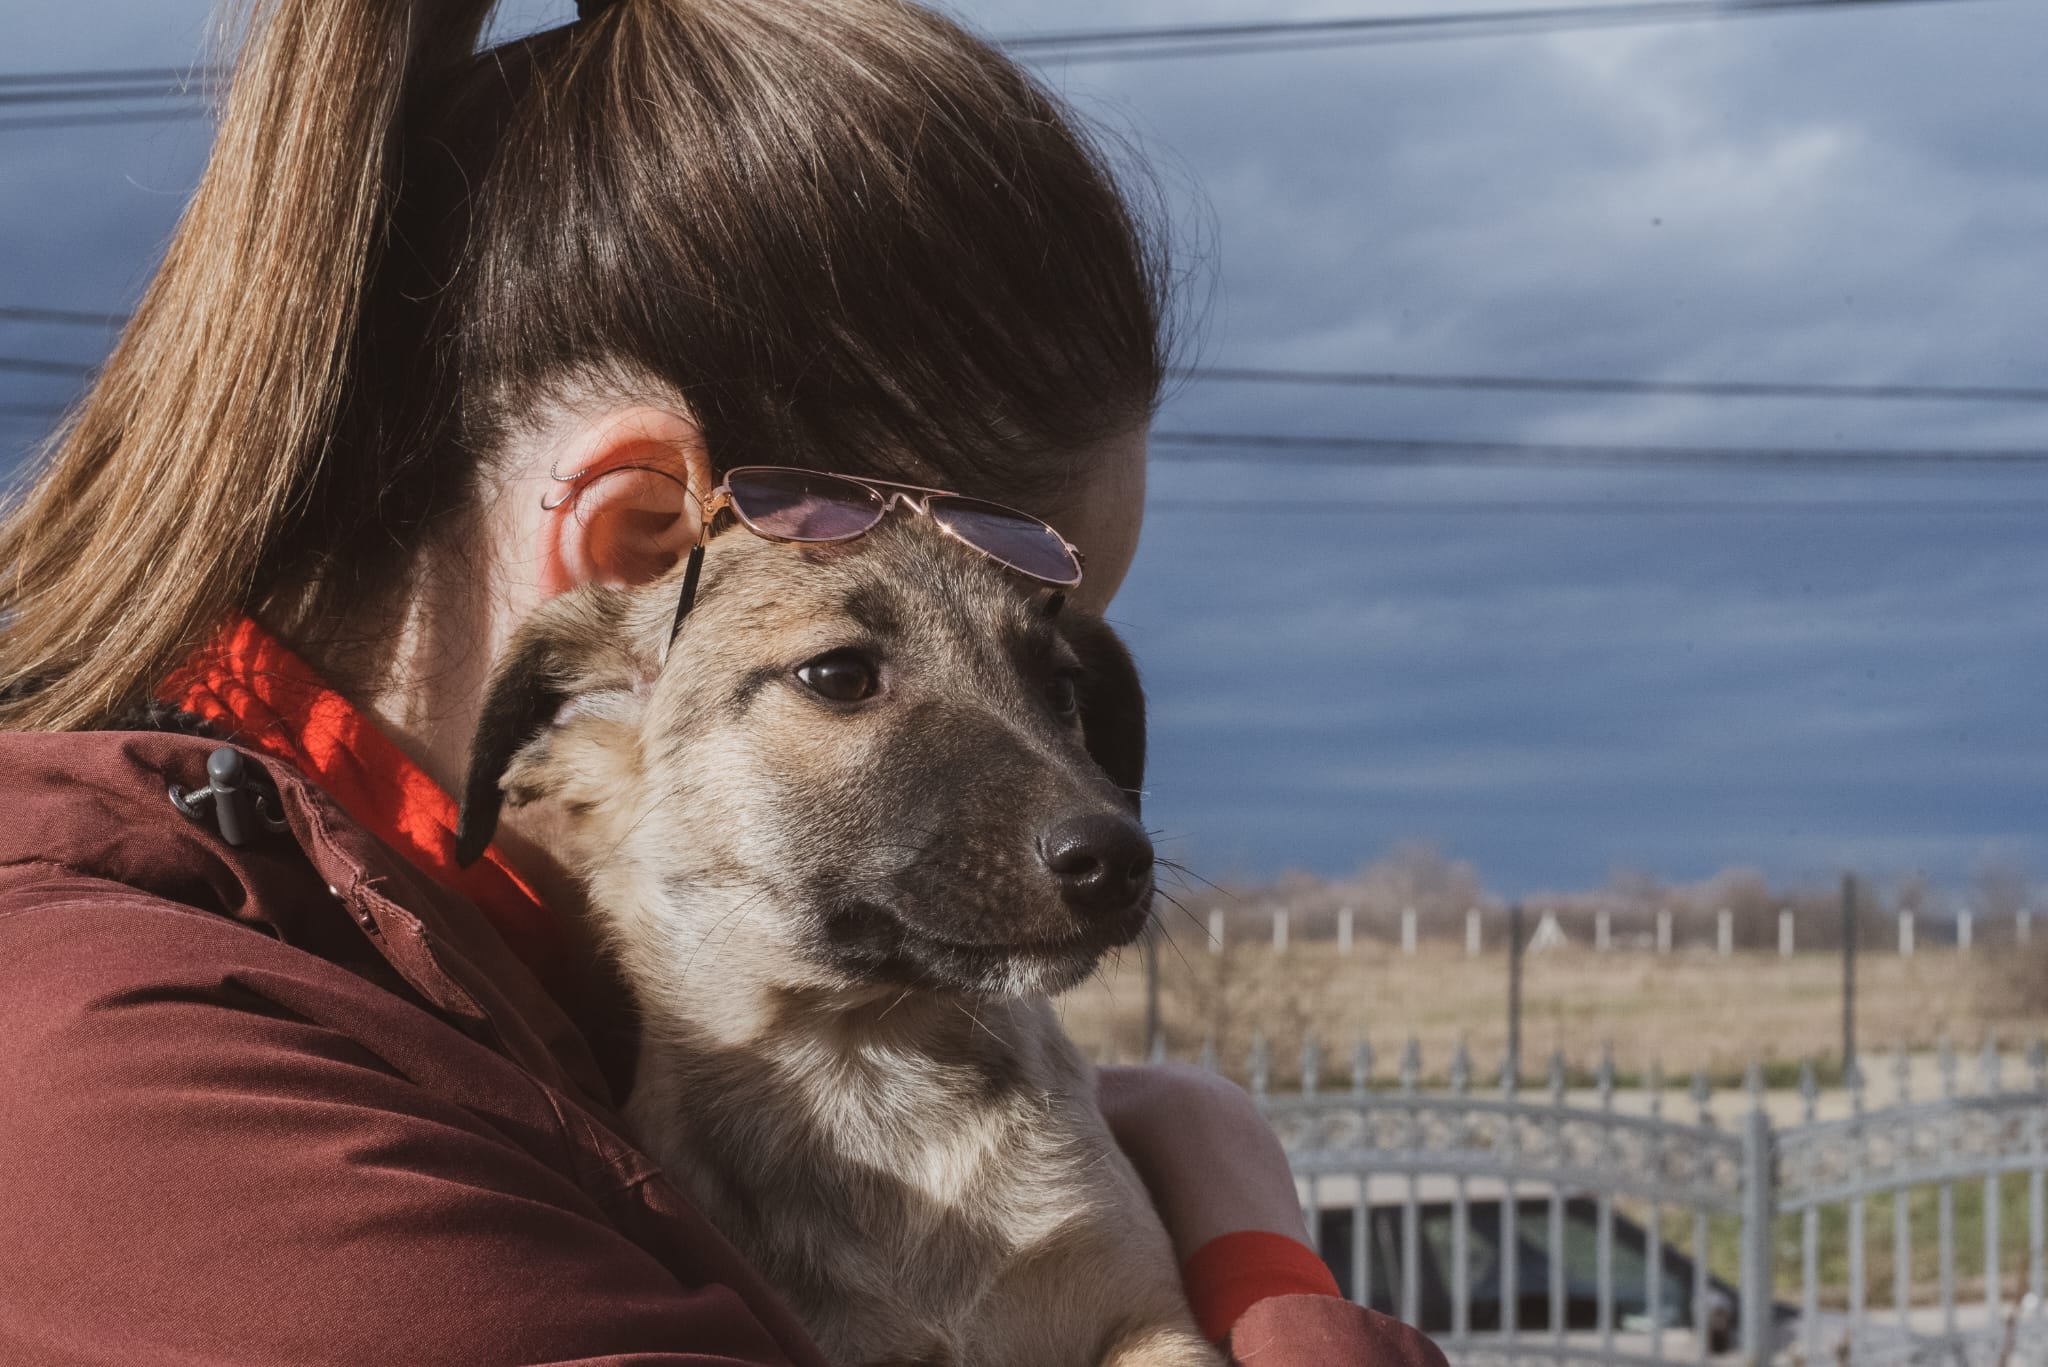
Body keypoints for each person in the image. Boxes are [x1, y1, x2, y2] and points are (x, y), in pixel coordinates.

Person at [0, 1, 1446, 1363]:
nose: (1070, 793)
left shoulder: (506, 997)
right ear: (640, 550)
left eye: (1059, 686)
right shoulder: (152, 1086)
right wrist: (1258, 1260)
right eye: (847, 672)